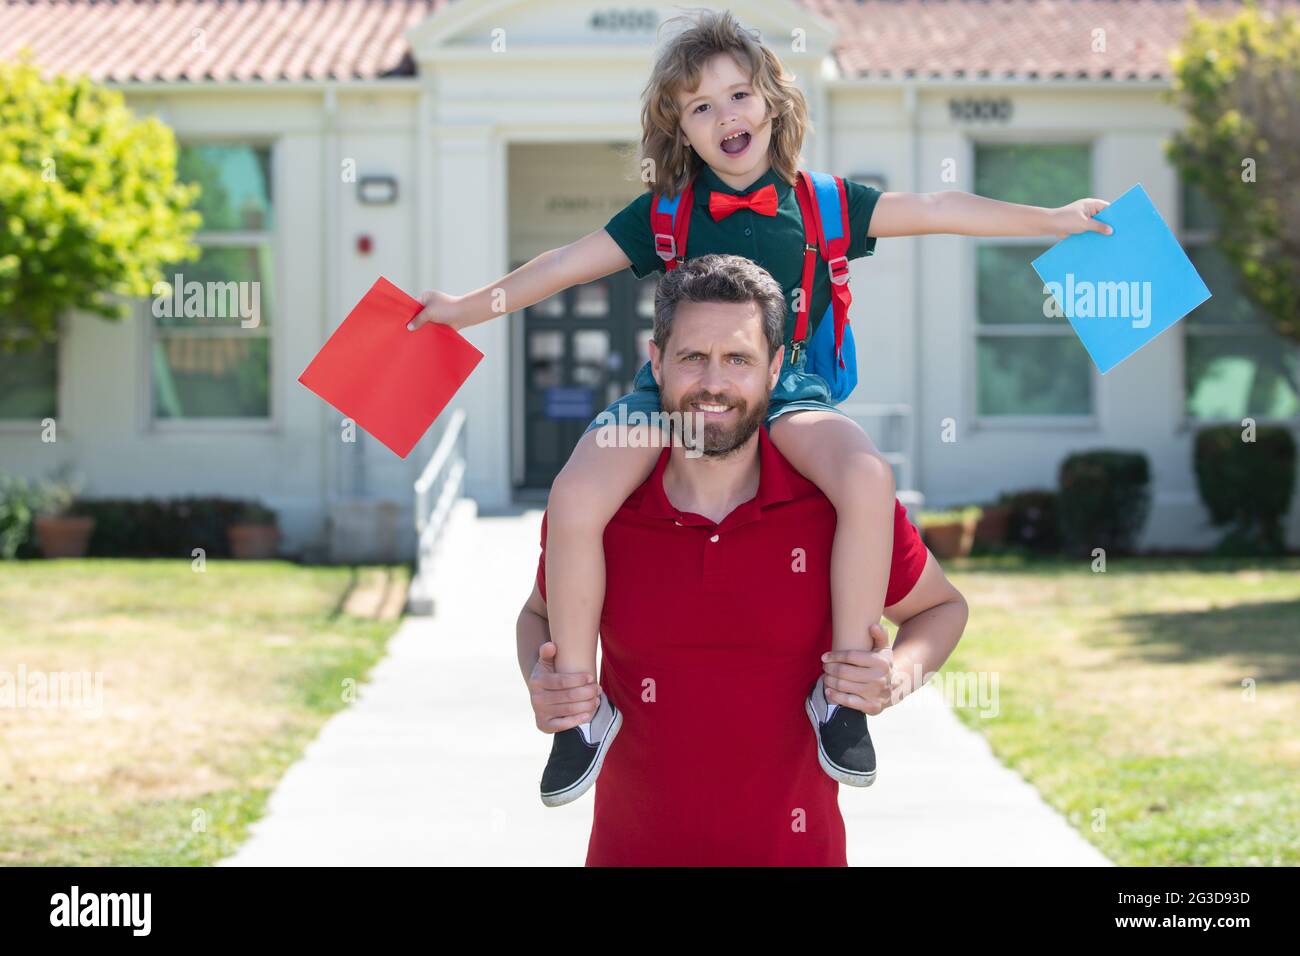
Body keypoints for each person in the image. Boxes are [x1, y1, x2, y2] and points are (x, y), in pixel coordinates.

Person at [413, 9, 1109, 805]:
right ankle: (579, 713)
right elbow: (567, 264)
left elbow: (944, 206)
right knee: (575, 492)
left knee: (864, 475)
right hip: (672, 395)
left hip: (789, 388)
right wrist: (468, 306)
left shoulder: (825, 205)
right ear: (680, 130)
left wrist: (1053, 222)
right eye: (700, 107)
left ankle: (843, 699)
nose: (725, 117)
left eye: (738, 95)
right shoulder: (665, 212)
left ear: (773, 102)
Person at [515, 253, 969, 865]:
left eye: (738, 359)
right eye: (692, 358)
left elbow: (942, 609)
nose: (713, 383)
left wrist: (895, 678)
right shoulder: (603, 510)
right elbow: (537, 618)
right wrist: (545, 685)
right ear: (656, 363)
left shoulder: (835, 508)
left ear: (776, 369)